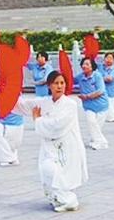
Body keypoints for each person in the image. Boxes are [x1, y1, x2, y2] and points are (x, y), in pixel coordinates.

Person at [31, 71, 88, 212]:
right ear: (49, 85)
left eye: (62, 83)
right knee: (47, 169)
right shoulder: (45, 102)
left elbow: (58, 125)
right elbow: (25, 105)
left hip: (68, 146)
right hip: (50, 146)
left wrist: (38, 120)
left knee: (61, 173)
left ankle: (69, 200)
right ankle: (59, 199)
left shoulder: (70, 104)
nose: (59, 86)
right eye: (56, 83)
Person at [76, 57, 109, 150]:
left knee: (96, 126)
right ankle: (102, 142)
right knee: (91, 122)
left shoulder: (97, 76)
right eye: (83, 64)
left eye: (87, 64)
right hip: (89, 106)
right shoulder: (80, 77)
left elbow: (101, 91)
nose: (84, 66)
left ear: (92, 66)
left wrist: (87, 96)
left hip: (101, 106)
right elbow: (70, 81)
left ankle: (96, 141)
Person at [101, 53, 114, 123]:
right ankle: (111, 117)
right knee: (106, 106)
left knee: (109, 106)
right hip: (103, 91)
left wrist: (100, 79)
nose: (108, 60)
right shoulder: (101, 68)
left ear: (113, 60)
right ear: (104, 59)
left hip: (112, 92)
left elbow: (109, 79)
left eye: (111, 58)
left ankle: (113, 117)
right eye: (107, 58)